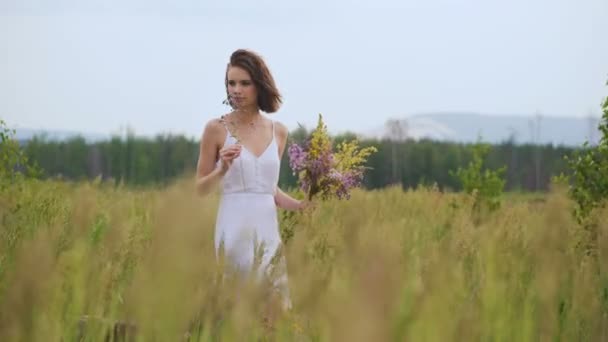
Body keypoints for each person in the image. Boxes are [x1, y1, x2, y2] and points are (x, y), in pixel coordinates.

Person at [195, 49, 308, 311]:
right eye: (231, 83)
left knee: (274, 306)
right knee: (236, 306)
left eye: (244, 83)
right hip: (233, 228)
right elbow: (199, 189)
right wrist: (222, 169)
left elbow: (269, 189)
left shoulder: (278, 131)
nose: (236, 89)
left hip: (268, 230)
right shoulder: (216, 129)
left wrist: (302, 206)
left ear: (260, 85)